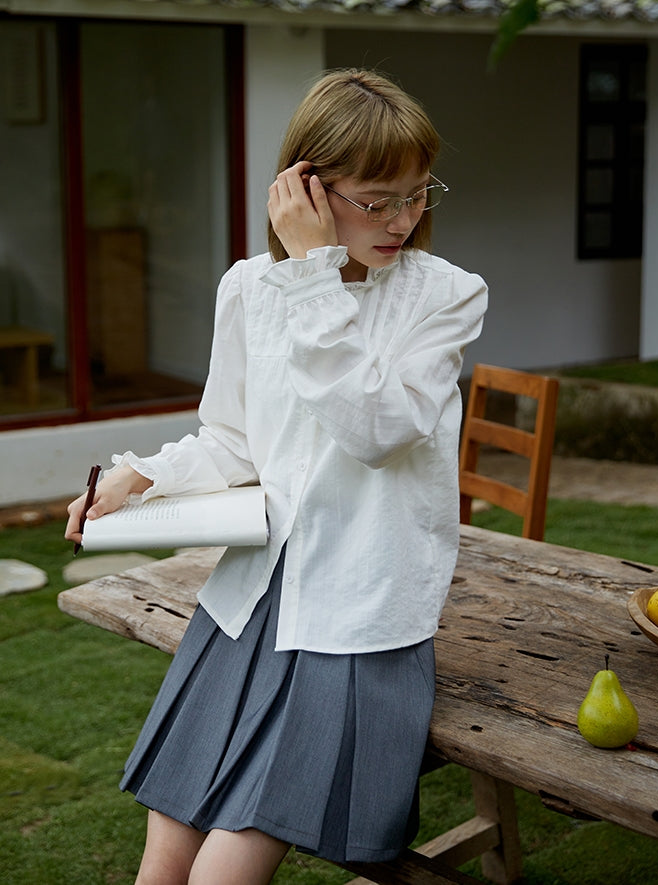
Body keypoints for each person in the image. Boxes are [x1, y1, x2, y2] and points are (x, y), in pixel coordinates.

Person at [65, 67, 488, 885]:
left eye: (416, 194)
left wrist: (309, 275)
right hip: (251, 599)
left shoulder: (445, 296)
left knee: (225, 867)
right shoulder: (249, 288)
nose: (404, 218)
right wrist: (138, 479)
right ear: (307, 189)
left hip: (359, 612)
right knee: (166, 857)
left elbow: (375, 430)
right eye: (378, 198)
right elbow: (232, 439)